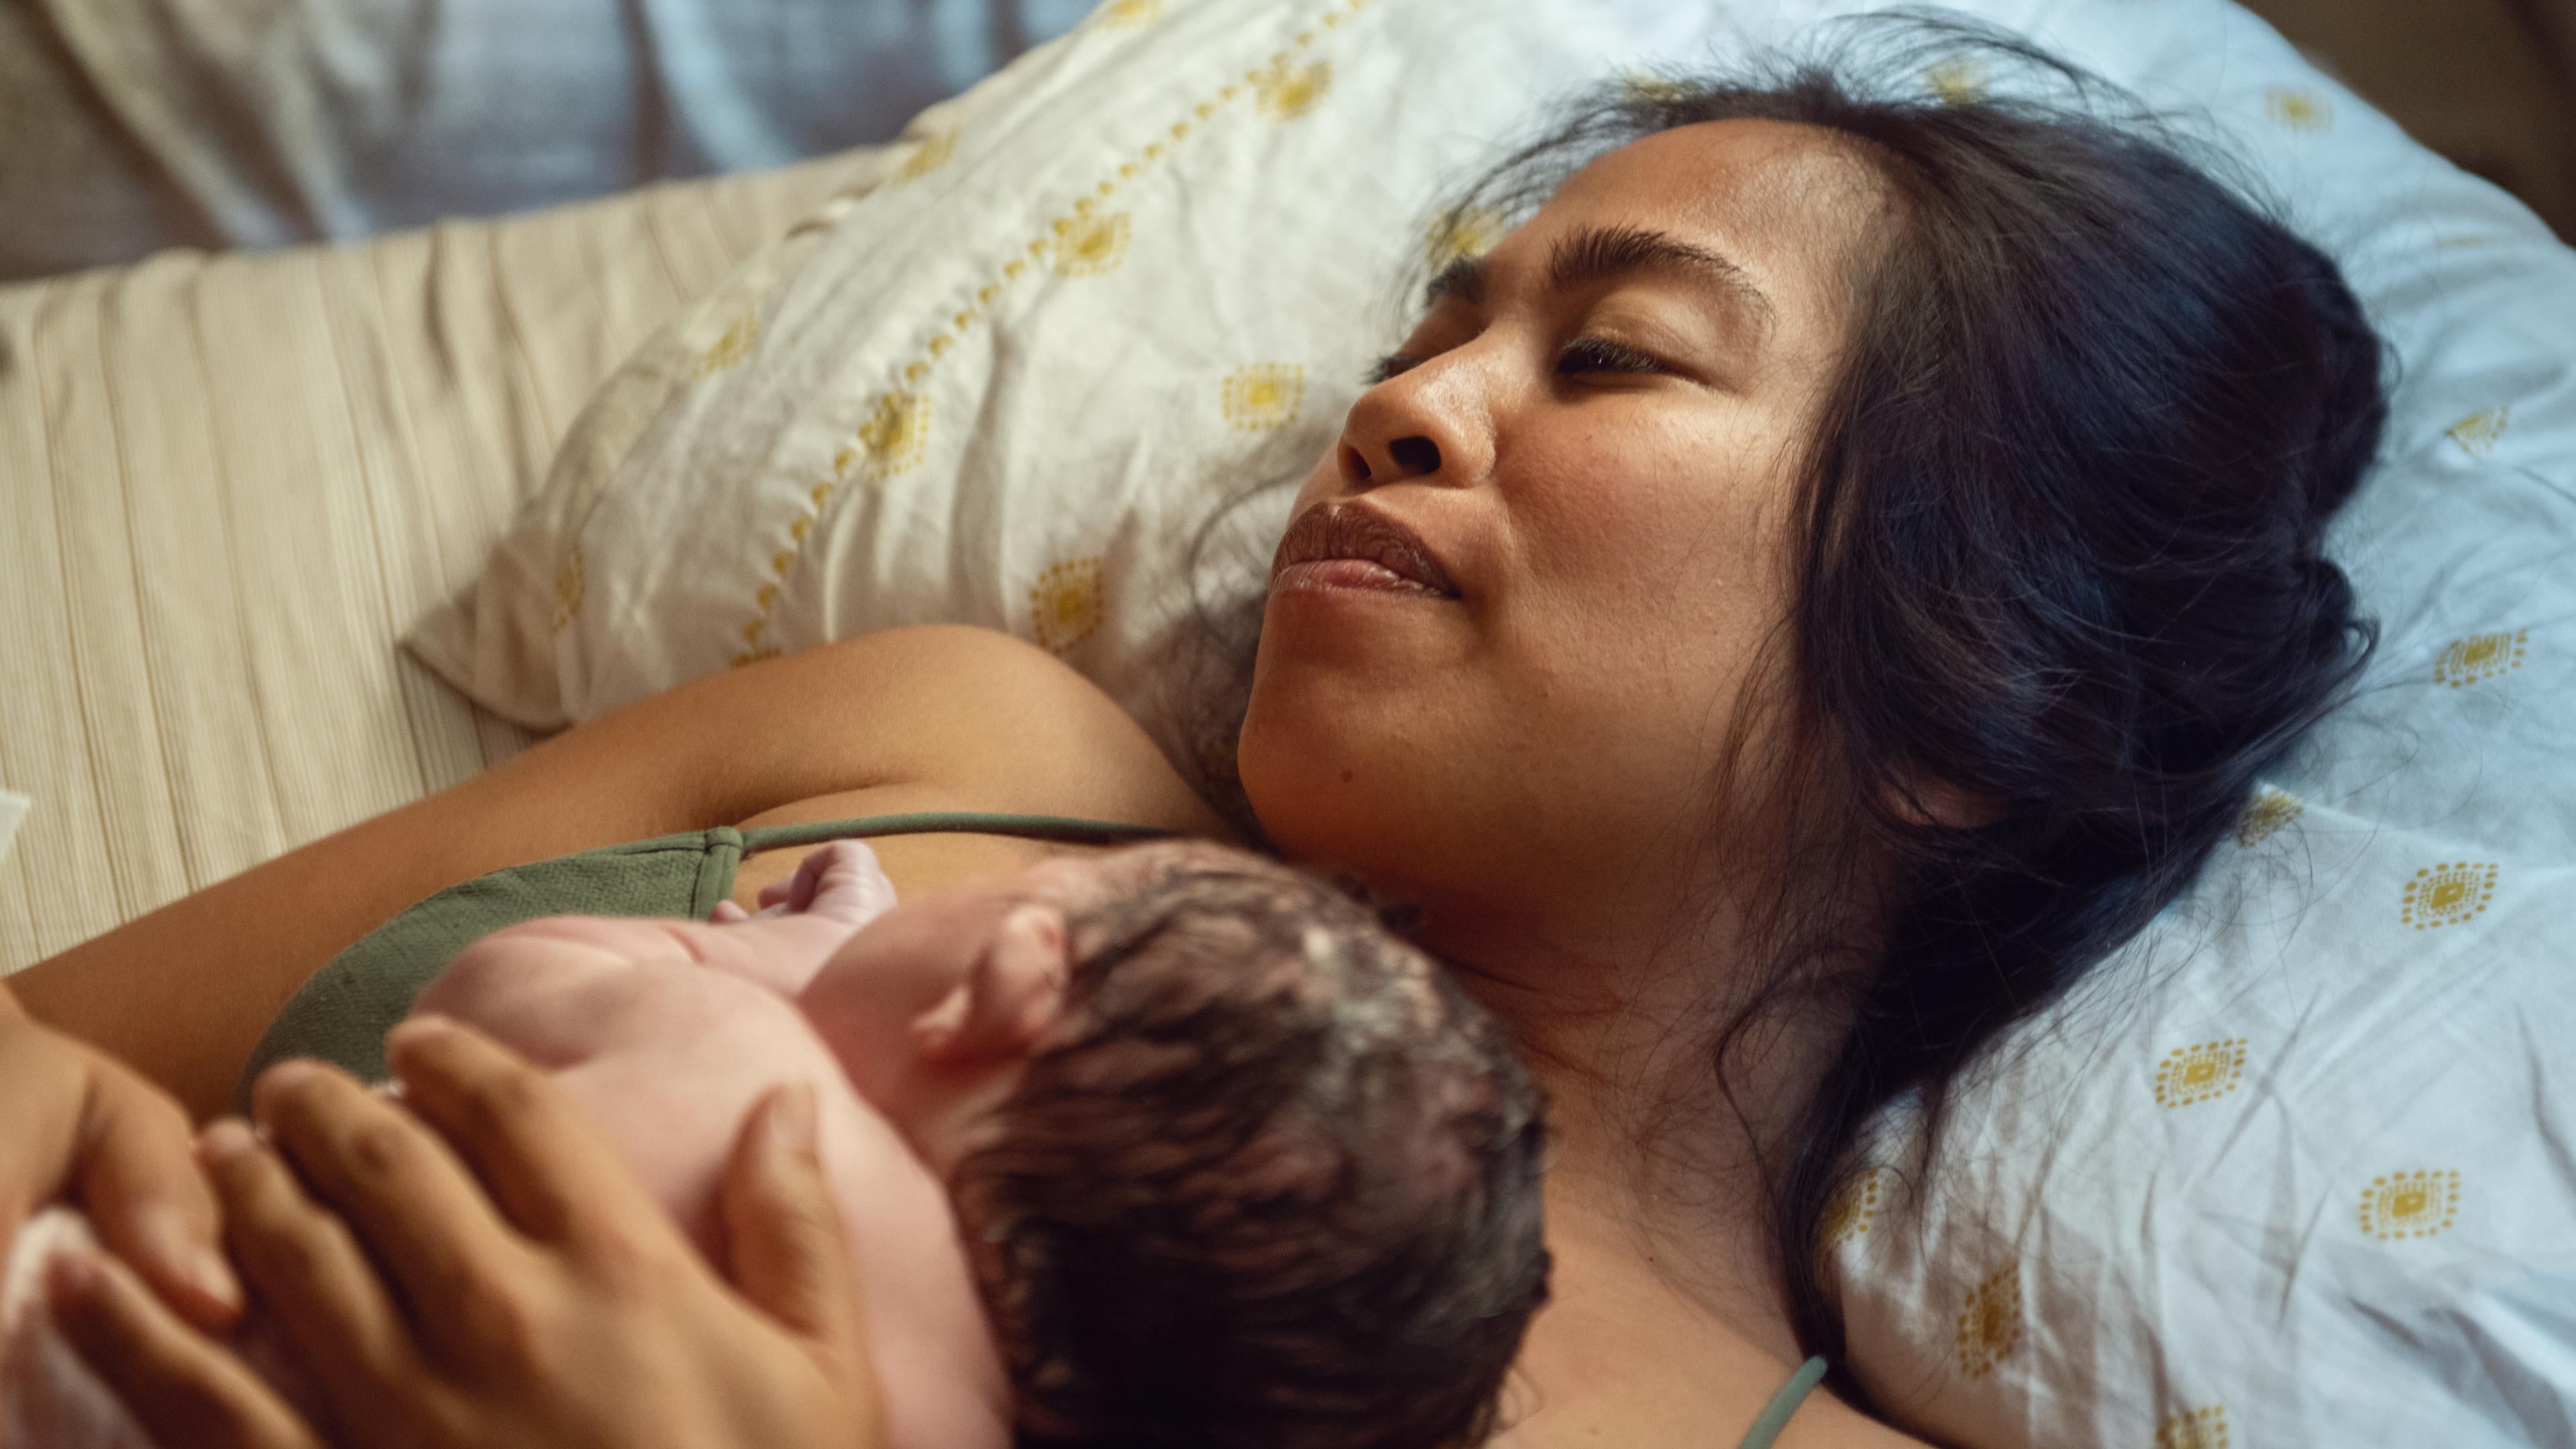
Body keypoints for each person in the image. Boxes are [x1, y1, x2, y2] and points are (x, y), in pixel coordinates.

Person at [0, 19, 2386, 1448]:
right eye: (1430, 334)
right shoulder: (946, 747)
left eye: (1615, 358)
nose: (1402, 407)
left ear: (1979, 702)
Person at [5, 840, 1548, 1449]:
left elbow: (481, 1004)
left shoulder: (747, 1062)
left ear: (1004, 983)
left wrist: (765, 964)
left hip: (94, 1323)